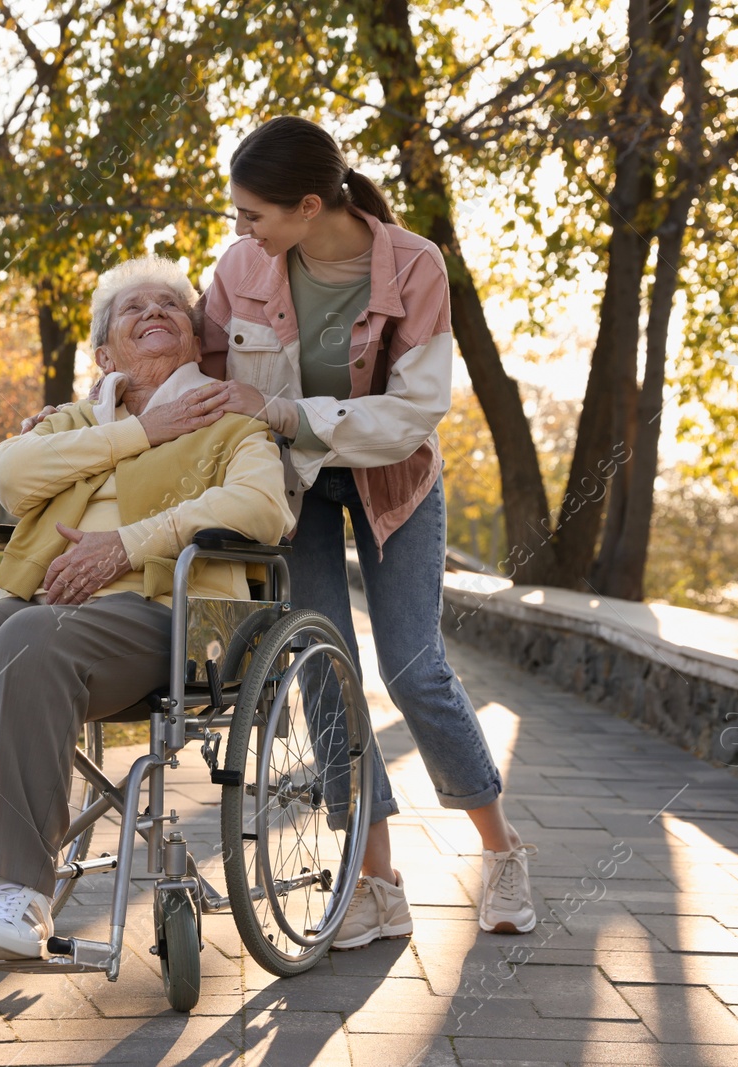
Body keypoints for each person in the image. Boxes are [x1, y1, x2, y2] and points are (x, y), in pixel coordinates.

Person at [0, 256, 294, 963]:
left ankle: (21, 893)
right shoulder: (71, 423)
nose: (155, 310)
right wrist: (142, 431)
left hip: (167, 612)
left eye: (171, 305)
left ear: (195, 340)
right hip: (48, 612)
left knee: (32, 636)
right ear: (104, 354)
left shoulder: (226, 419)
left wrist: (127, 544)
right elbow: (10, 475)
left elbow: (262, 507)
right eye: (135, 308)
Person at [198, 116, 537, 943]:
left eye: (255, 216)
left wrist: (281, 409)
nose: (242, 233)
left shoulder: (416, 265)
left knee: (415, 667)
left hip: (393, 477)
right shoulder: (242, 267)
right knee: (324, 670)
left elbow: (414, 413)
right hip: (293, 485)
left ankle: (501, 852)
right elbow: (195, 371)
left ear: (309, 205)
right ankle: (375, 879)